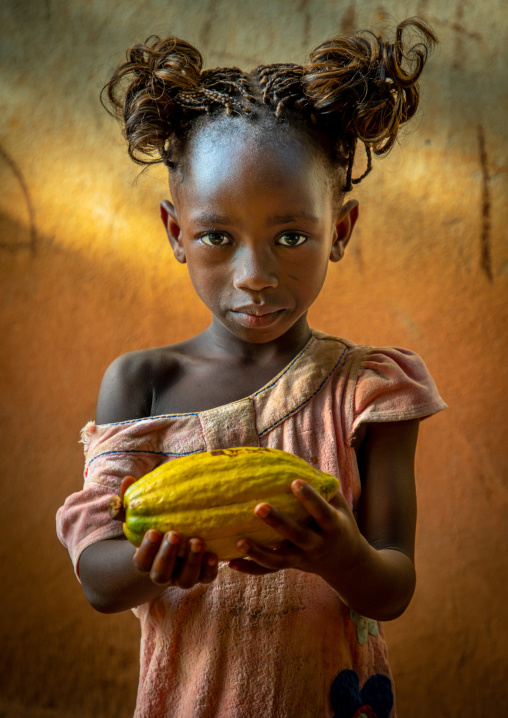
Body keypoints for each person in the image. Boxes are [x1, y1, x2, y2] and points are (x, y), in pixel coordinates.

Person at [57, 18, 446, 718]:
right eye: (217, 237)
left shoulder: (371, 392)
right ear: (176, 232)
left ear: (341, 231)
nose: (255, 275)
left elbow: (394, 585)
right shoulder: (142, 384)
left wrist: (338, 554)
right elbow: (98, 580)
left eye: (291, 236)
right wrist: (151, 564)